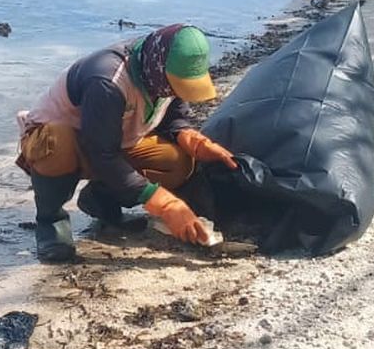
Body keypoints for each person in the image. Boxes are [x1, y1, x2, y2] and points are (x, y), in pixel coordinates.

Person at [15, 24, 238, 262]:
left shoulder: (159, 71)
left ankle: (102, 198)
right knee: (55, 143)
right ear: (160, 68)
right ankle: (51, 224)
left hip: (114, 141)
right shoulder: (108, 81)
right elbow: (101, 152)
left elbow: (173, 116)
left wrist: (191, 138)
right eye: (176, 85)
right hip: (62, 140)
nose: (176, 91)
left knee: (177, 161)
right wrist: (164, 203)